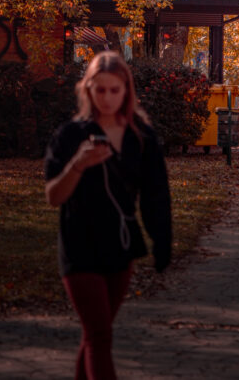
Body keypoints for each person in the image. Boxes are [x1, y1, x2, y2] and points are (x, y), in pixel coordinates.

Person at [44, 51, 172, 380]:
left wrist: (162, 241)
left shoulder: (140, 137)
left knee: (94, 336)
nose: (107, 98)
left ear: (126, 91)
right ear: (88, 90)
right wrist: (78, 164)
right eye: (99, 90)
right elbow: (53, 196)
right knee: (99, 335)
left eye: (114, 90)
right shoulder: (70, 135)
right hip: (79, 245)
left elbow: (156, 193)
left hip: (120, 245)